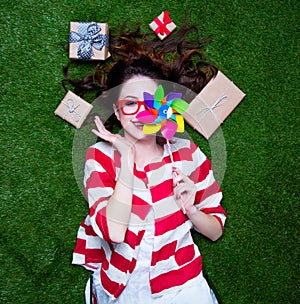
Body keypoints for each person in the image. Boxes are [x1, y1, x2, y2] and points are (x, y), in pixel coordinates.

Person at [69, 23, 227, 304]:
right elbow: (113, 232)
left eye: (150, 103)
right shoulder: (100, 156)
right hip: (121, 283)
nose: (142, 113)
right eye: (130, 104)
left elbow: (215, 231)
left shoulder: (186, 152)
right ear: (117, 111)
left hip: (181, 284)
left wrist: (191, 209)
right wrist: (127, 160)